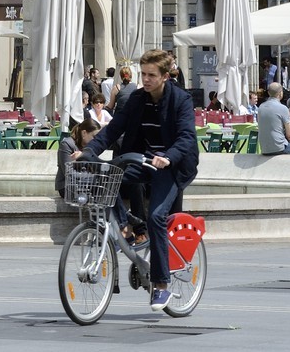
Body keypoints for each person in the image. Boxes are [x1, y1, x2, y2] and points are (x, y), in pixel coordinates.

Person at [73, 49, 199, 312]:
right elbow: (114, 128)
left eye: (152, 75)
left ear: (165, 76)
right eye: (143, 74)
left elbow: (186, 137)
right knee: (108, 180)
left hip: (173, 166)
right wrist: (89, 152)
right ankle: (129, 220)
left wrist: (169, 157)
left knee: (156, 217)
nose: (146, 79)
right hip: (144, 161)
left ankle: (161, 286)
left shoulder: (181, 99)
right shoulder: (138, 99)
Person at [56, 117, 101, 200]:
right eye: (94, 136)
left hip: (87, 183)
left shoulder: (93, 147)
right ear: (84, 133)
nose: (96, 140)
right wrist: (92, 177)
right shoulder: (67, 144)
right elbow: (68, 172)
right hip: (67, 186)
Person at [254, 84, 290, 156]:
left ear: (269, 93)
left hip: (264, 148)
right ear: (280, 93)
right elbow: (289, 135)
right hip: (279, 147)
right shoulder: (283, 108)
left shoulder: (260, 107)